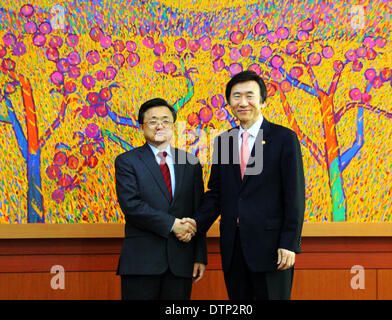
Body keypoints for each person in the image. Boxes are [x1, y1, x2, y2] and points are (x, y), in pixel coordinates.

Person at [189, 70, 305, 300]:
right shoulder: (224, 141)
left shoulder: (283, 139)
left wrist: (289, 243)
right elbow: (216, 193)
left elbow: (295, 195)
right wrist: (194, 224)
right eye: (236, 96)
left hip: (273, 249)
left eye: (250, 96)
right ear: (229, 102)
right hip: (234, 249)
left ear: (262, 100)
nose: (243, 102)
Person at [114, 98, 207, 300]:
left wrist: (200, 256)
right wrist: (172, 224)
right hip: (142, 262)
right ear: (142, 127)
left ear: (173, 126)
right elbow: (131, 205)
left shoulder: (190, 163)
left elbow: (198, 211)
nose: (160, 126)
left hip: (181, 261)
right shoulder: (127, 161)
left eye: (165, 121)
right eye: (153, 121)